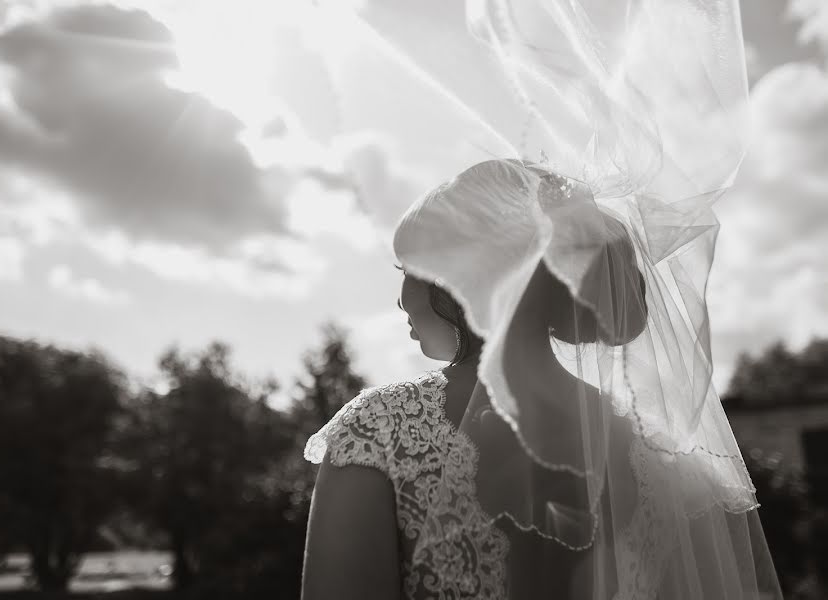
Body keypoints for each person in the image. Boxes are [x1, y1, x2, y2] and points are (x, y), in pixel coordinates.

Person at [300, 159, 783, 599]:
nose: (402, 298)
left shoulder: (380, 432)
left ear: (463, 276)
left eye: (410, 270)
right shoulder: (665, 463)